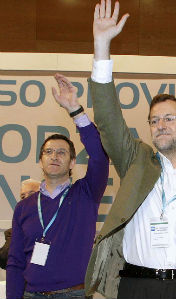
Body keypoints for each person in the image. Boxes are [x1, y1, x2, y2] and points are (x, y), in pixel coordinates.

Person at [83, 1, 176, 298]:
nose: (160, 125)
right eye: (154, 120)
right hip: (135, 286)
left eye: (169, 118)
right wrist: (102, 47)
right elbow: (109, 120)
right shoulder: (137, 161)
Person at [6, 74, 109, 299]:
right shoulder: (24, 207)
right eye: (49, 152)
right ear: (40, 160)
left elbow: (100, 157)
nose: (55, 156)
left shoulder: (86, 194)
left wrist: (75, 110)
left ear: (73, 162)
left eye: (62, 152)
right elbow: (15, 262)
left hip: (73, 294)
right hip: (31, 294)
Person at [0, 179, 40, 270]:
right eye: (22, 196)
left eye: (32, 194)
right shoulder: (13, 232)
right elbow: (4, 260)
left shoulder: (54, 226)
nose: (26, 199)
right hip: (22, 280)